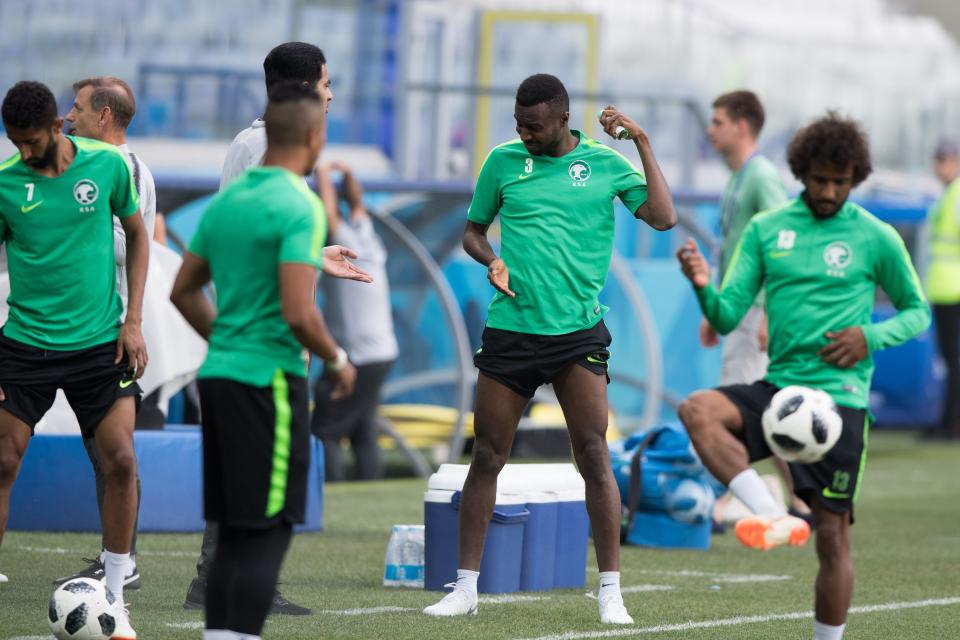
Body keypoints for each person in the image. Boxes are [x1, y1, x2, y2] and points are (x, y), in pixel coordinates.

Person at [423, 74, 676, 624]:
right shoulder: (503, 161)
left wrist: (642, 143)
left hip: (577, 335)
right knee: (487, 454)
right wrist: (489, 258)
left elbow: (663, 218)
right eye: (518, 124)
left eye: (534, 126)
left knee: (593, 455)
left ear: (563, 120)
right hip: (511, 330)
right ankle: (465, 588)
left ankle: (610, 591)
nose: (524, 133)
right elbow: (472, 231)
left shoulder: (607, 164)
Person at [676, 112, 930, 640]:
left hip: (840, 402)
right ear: (801, 172)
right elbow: (727, 316)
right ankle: (772, 515)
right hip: (778, 389)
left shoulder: (875, 236)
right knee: (697, 410)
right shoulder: (768, 230)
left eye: (841, 182)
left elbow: (917, 310)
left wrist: (870, 337)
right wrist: (703, 284)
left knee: (833, 539)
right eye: (820, 180)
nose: (830, 191)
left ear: (854, 178)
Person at [183, 40, 370, 616]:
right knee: (268, 487)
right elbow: (258, 249)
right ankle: (236, 586)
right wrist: (324, 347)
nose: (332, 93)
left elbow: (241, 243)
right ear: (303, 93)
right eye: (326, 82)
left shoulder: (262, 151)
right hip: (268, 347)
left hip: (245, 343)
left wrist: (314, 257)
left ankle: (219, 581)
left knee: (244, 475)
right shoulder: (266, 149)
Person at [0, 80, 149, 638]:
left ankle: (114, 596)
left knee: (121, 463)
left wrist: (132, 321)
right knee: (3, 463)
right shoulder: (5, 185)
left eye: (32, 141)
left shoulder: (108, 167)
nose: (25, 153)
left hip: (99, 346)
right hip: (24, 346)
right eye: (15, 142)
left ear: (58, 127)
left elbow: (137, 235)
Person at [51, 75, 156, 591]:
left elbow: (126, 245)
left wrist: (68, 227)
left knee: (113, 451)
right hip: (69, 325)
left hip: (109, 329)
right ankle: (119, 557)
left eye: (77, 108)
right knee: (101, 447)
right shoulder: (79, 165)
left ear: (104, 117)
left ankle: (123, 560)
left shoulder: (124, 167)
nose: (69, 116)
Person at [704, 90, 812, 525]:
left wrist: (769, 309)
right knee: (766, 414)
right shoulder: (738, 176)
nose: (710, 130)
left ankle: (734, 498)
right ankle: (800, 500)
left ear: (741, 126)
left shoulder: (761, 175)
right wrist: (716, 309)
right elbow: (734, 250)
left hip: (757, 312)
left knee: (733, 411)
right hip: (740, 309)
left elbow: (784, 242)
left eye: (717, 121)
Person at [311, 162, 398, 481]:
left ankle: (328, 491)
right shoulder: (369, 237)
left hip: (358, 356)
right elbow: (357, 204)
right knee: (363, 425)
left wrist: (322, 172)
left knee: (327, 429)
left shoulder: (345, 241)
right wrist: (348, 172)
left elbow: (331, 213)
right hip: (383, 352)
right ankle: (370, 484)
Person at [924, 139, 960, 439]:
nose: (940, 165)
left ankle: (951, 423)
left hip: (954, 290)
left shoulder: (957, 195)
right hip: (944, 288)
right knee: (950, 360)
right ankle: (949, 421)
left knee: (954, 360)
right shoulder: (948, 195)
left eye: (945, 159)